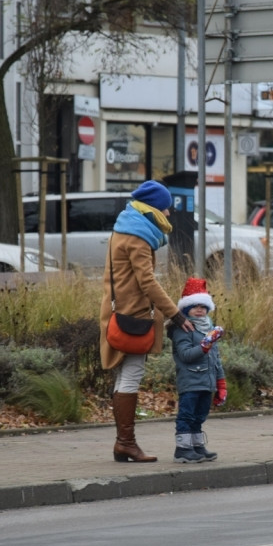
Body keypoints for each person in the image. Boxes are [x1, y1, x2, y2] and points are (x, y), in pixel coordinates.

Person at [100, 180, 194, 463]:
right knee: (131, 374)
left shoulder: (125, 228)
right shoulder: (138, 238)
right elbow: (148, 282)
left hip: (119, 311)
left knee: (123, 376)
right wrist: (176, 314)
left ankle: (123, 443)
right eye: (165, 207)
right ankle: (126, 443)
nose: (169, 213)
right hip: (132, 315)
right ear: (153, 208)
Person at [167, 277, 226, 463]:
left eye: (203, 306)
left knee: (200, 415)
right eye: (195, 306)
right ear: (186, 309)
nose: (199, 309)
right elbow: (185, 355)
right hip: (190, 381)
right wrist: (204, 345)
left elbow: (216, 359)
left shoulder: (209, 328)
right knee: (187, 414)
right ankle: (182, 449)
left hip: (207, 382)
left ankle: (197, 446)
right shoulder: (183, 329)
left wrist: (221, 383)